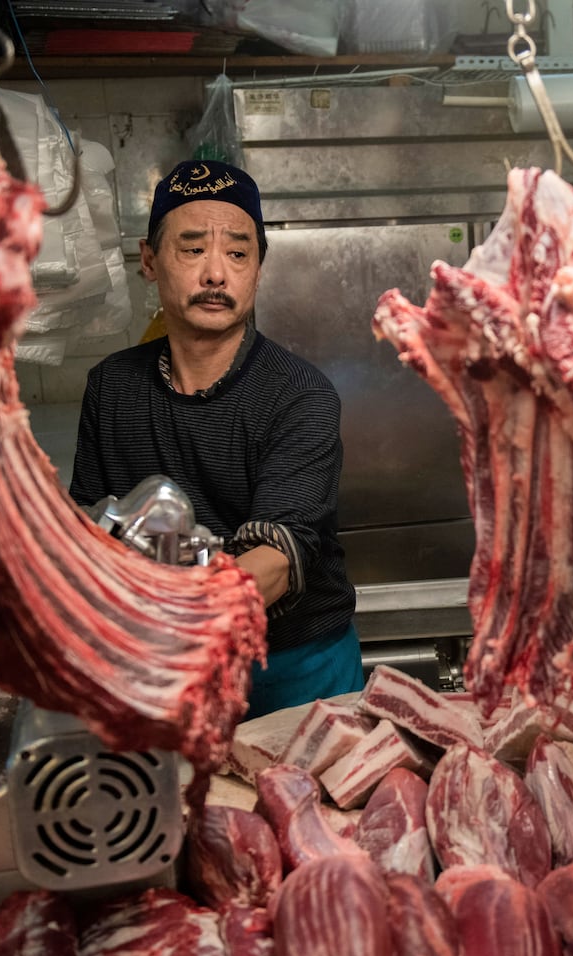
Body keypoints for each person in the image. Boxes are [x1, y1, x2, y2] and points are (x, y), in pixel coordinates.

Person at [69, 159, 362, 718]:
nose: (215, 275)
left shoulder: (300, 395)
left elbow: (277, 558)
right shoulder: (111, 387)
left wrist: (177, 618)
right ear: (149, 261)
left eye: (237, 253)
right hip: (161, 669)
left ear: (257, 269)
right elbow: (91, 529)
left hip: (294, 672)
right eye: (192, 248)